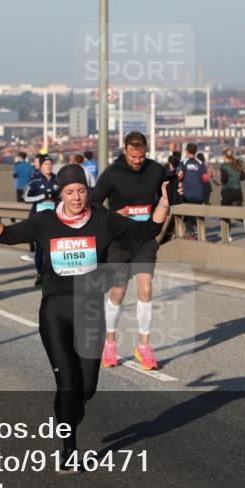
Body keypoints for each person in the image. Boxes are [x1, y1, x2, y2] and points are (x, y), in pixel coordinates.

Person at [0, 164, 170, 473]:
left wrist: (163, 205)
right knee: (68, 383)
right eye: (69, 192)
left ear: (87, 191)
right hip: (56, 311)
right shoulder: (46, 221)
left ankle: (70, 414)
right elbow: (4, 235)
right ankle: (68, 451)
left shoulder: (103, 220)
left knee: (87, 388)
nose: (76, 197)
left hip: (91, 310)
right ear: (60, 194)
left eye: (81, 191)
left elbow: (146, 231)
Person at [90, 131, 166, 371]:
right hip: (119, 243)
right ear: (125, 150)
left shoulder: (155, 170)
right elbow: (92, 203)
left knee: (146, 288)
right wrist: (114, 215)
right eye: (133, 156)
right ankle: (110, 342)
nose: (137, 161)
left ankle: (144, 347)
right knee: (118, 293)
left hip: (145, 241)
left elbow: (167, 195)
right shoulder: (112, 173)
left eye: (141, 156)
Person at [23, 155, 60, 286]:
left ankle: (52, 275)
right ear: (41, 166)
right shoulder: (35, 181)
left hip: (54, 219)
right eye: (46, 164)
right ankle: (39, 272)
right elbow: (25, 198)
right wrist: (41, 196)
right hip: (38, 219)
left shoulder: (57, 180)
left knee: (53, 248)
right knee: (40, 250)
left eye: (50, 164)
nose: (49, 166)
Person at [176, 143, 208, 238]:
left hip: (187, 194)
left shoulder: (183, 162)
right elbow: (205, 179)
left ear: (186, 151)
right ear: (195, 151)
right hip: (199, 194)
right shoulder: (200, 163)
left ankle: (191, 234)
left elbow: (179, 176)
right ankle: (201, 234)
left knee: (187, 215)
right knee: (198, 213)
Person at [218, 148, 245, 242]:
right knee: (237, 212)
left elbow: (224, 179)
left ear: (225, 156)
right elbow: (243, 177)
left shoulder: (223, 166)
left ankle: (228, 235)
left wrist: (220, 181)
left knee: (225, 214)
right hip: (238, 191)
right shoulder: (237, 165)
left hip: (227, 191)